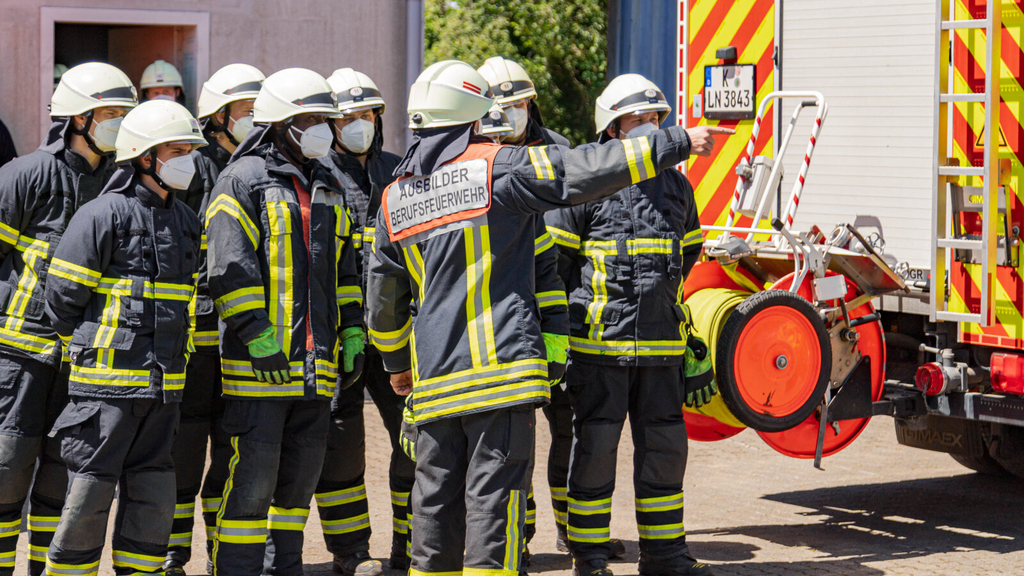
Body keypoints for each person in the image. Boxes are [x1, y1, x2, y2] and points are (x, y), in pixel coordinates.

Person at [367, 59, 731, 576]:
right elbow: (578, 170)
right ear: (475, 117)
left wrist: (398, 365)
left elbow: (383, 302)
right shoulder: (498, 167)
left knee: (436, 505)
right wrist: (672, 143)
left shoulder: (394, 199)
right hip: (498, 378)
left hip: (433, 384)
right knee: (496, 509)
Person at [545, 74, 720, 576]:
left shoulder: (677, 185)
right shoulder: (584, 184)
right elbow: (556, 269)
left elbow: (685, 260)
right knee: (595, 451)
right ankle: (591, 556)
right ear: (612, 128)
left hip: (662, 348)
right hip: (599, 348)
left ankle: (665, 556)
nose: (650, 127)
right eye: (638, 119)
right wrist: (557, 341)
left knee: (664, 453)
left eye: (655, 119)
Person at [205, 67, 363, 576]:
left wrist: (354, 329)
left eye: (325, 119)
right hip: (260, 368)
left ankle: (283, 569)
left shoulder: (331, 183)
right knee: (252, 481)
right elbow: (229, 267)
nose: (324, 128)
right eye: (312, 119)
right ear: (280, 124)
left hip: (316, 367)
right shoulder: (243, 179)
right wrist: (257, 335)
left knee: (297, 485)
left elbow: (343, 269)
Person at [43, 99, 205, 576]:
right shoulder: (103, 214)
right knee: (90, 494)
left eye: (189, 150)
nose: (187, 160)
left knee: (154, 495)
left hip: (163, 390)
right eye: (177, 149)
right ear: (145, 156)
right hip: (105, 393)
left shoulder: (186, 222)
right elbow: (62, 301)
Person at [477, 56, 625, 560]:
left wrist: (566, 318)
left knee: (568, 430)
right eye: (504, 105)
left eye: (520, 103)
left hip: (560, 318)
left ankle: (572, 528)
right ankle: (518, 536)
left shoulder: (561, 152)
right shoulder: (473, 156)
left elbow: (587, 238)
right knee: (511, 437)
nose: (514, 112)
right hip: (501, 321)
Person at [0, 62, 136, 576]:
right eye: (110, 113)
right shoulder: (26, 175)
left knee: (62, 480)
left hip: (82, 363)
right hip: (18, 359)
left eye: (126, 113)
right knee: (6, 474)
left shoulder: (121, 184)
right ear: (78, 118)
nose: (119, 122)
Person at [163, 62, 265, 576]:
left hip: (241, 341)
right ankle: (171, 554)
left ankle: (220, 553)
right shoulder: (197, 169)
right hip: (198, 342)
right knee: (183, 450)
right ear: (218, 116)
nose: (256, 119)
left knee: (231, 452)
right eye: (248, 112)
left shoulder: (259, 169)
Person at [310, 67, 406, 576]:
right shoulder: (316, 173)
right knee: (341, 446)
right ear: (331, 122)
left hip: (397, 333)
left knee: (413, 437)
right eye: (348, 116)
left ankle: (409, 547)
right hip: (336, 335)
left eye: (367, 114)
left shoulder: (400, 170)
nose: (360, 124)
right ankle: (351, 553)